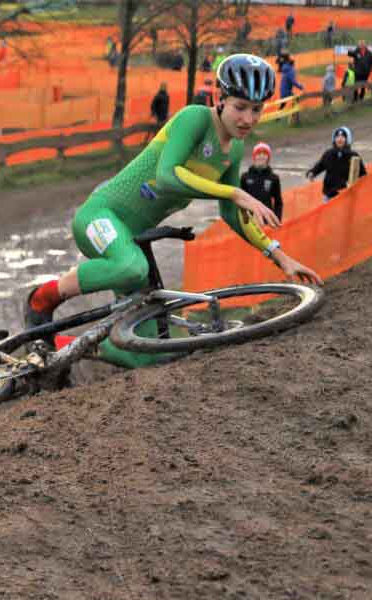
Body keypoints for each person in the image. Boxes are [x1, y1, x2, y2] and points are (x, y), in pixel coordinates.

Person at [22, 54, 321, 369]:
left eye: (256, 109)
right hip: (101, 215)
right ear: (221, 98)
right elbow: (167, 176)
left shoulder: (233, 148)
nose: (248, 119)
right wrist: (235, 192)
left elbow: (232, 214)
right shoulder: (195, 118)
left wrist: (280, 256)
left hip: (131, 237)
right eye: (240, 107)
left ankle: (54, 350)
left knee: (140, 353)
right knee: (133, 268)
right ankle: (42, 299)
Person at [306, 126, 368, 203]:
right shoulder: (328, 153)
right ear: (334, 139)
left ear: (347, 139)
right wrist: (312, 173)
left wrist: (354, 185)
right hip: (329, 193)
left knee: (344, 214)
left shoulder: (353, 155)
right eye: (337, 136)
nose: (340, 139)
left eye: (343, 137)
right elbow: (320, 165)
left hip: (345, 194)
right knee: (328, 214)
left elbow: (363, 174)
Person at [241, 142, 283, 223]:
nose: (261, 156)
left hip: (266, 220)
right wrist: (243, 218)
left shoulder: (273, 178)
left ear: (268, 158)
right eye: (258, 153)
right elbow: (241, 200)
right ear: (254, 157)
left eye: (264, 154)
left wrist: (277, 219)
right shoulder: (245, 177)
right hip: (250, 220)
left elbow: (278, 202)